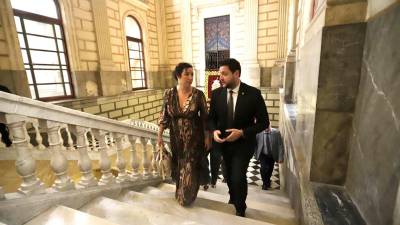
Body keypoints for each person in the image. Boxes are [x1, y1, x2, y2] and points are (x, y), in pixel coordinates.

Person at [208, 58, 269, 217]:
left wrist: (242, 132)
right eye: (220, 73)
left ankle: (240, 208)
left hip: (243, 144)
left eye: (224, 74)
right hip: (223, 144)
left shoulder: (253, 94)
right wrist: (214, 131)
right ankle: (233, 196)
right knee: (227, 175)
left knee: (238, 176)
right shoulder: (216, 94)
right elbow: (211, 119)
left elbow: (264, 122)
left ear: (236, 73)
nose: (220, 77)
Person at [157, 62, 211, 206]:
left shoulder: (198, 95)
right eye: (187, 74)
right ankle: (181, 190)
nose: (190, 77)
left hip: (194, 139)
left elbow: (205, 118)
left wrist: (207, 137)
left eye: (192, 74)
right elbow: (164, 116)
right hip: (176, 139)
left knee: (190, 166)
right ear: (178, 75)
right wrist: (160, 135)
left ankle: (187, 194)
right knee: (180, 165)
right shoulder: (169, 94)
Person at [255, 124, 284, 190]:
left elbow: (280, 145)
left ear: (270, 126)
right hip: (263, 154)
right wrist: (256, 154)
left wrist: (280, 157)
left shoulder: (276, 132)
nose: (266, 128)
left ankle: (267, 181)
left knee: (270, 169)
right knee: (263, 168)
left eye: (267, 126)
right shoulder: (259, 133)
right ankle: (265, 184)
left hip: (272, 154)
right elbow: (256, 145)